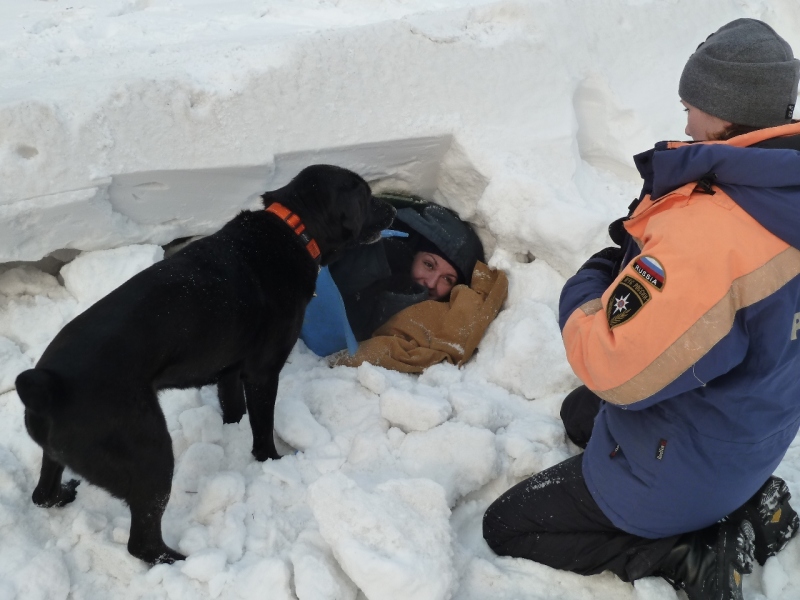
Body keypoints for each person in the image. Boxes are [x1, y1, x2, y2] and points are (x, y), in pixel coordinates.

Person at [483, 18, 800, 600]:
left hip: (686, 469)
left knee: (507, 524)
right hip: (752, 435)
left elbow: (611, 363)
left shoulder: (718, 236)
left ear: (726, 110)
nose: (684, 122)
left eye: (691, 107)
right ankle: (748, 501)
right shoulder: (785, 195)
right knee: (581, 414)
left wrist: (592, 280)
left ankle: (683, 550)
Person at [299, 199, 485, 355]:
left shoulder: (445, 318)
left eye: (447, 279)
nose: (431, 283)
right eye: (428, 264)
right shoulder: (375, 261)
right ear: (415, 254)